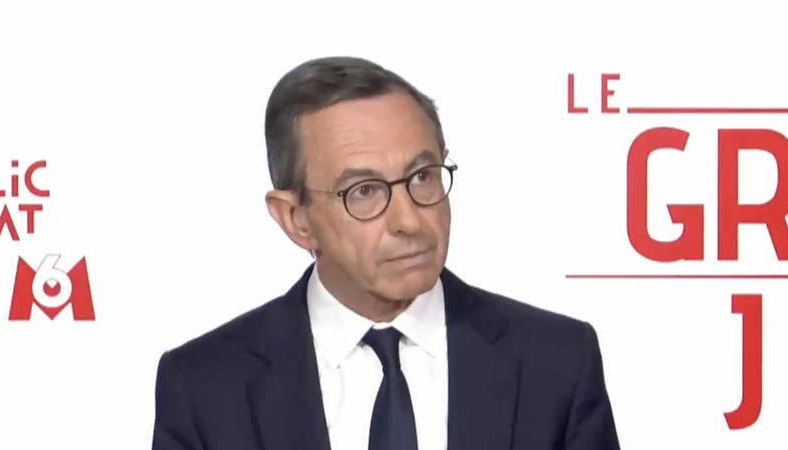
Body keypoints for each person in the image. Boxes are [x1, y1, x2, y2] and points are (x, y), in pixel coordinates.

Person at [152, 56, 620, 450]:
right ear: (296, 219)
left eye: (423, 177)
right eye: (364, 191)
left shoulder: (557, 363)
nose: (410, 221)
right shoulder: (204, 388)